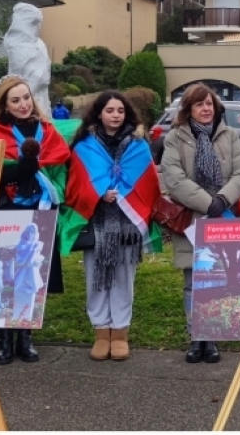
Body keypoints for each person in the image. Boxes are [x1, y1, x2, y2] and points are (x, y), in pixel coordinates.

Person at [0, 75, 70, 366]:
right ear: (5, 106)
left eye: (26, 98)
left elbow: (62, 165)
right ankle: (4, 339)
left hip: (39, 208)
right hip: (6, 209)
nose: (23, 104)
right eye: (16, 100)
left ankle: (26, 336)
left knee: (30, 275)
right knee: (3, 272)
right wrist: (23, 168)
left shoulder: (48, 130)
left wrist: (37, 172)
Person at [62, 91, 161, 361]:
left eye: (120, 110)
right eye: (110, 110)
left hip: (128, 225)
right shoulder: (84, 145)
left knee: (123, 279)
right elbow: (76, 183)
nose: (115, 115)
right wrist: (98, 192)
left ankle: (120, 333)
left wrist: (124, 195)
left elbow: (148, 183)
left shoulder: (138, 145)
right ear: (99, 114)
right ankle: (100, 331)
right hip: (96, 223)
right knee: (95, 278)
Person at [160, 83, 240, 365]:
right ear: (189, 109)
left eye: (209, 104)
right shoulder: (175, 138)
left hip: (222, 217)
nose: (206, 109)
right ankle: (195, 337)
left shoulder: (230, 135)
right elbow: (173, 177)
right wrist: (206, 202)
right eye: (199, 104)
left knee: (216, 281)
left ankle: (210, 337)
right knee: (193, 283)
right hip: (193, 219)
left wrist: (222, 200)